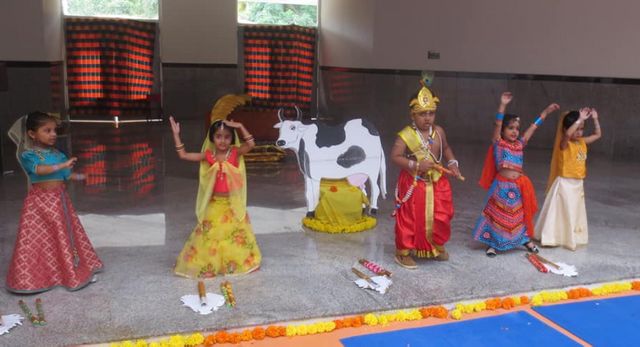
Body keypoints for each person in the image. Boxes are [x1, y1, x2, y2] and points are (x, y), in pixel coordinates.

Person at [5, 111, 103, 293]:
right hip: (39, 203)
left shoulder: (58, 154)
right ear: (32, 134)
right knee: (39, 238)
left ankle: (69, 271)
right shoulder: (28, 155)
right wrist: (63, 166)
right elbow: (40, 171)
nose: (53, 134)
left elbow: (66, 175)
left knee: (64, 234)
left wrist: (83, 176)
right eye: (47, 130)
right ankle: (37, 277)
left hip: (59, 200)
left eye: (54, 131)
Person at [170, 115, 261, 278]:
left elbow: (251, 144)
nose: (223, 141)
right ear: (212, 138)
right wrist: (176, 134)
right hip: (214, 205)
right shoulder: (208, 156)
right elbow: (183, 155)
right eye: (218, 136)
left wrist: (240, 125)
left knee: (234, 236)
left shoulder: (234, 153)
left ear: (231, 139)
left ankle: (233, 264)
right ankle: (211, 264)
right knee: (210, 236)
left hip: (232, 204)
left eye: (227, 137)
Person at [473, 92, 559, 257]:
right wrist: (503, 105)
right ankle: (493, 244)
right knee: (496, 216)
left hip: (518, 187)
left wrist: (546, 112)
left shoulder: (520, 144)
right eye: (510, 128)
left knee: (519, 216)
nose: (514, 131)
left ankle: (524, 240)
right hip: (501, 187)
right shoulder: (499, 144)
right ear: (503, 130)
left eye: (517, 128)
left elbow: (534, 126)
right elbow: (497, 124)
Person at [391, 83, 462, 269]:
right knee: (410, 218)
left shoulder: (439, 132)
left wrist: (453, 163)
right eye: (422, 114)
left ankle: (435, 246)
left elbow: (445, 149)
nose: (427, 118)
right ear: (412, 115)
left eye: (431, 113)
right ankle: (403, 252)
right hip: (414, 182)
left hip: (437, 181)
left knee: (441, 215)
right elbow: (395, 157)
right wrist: (416, 164)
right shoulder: (406, 135)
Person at [535, 107, 601, 250]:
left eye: (581, 129)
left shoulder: (583, 141)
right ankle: (553, 236)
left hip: (578, 184)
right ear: (565, 129)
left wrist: (595, 119)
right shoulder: (564, 144)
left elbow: (597, 134)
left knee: (573, 211)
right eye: (576, 128)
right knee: (562, 211)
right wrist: (580, 120)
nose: (578, 132)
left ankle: (570, 236)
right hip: (565, 184)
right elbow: (568, 135)